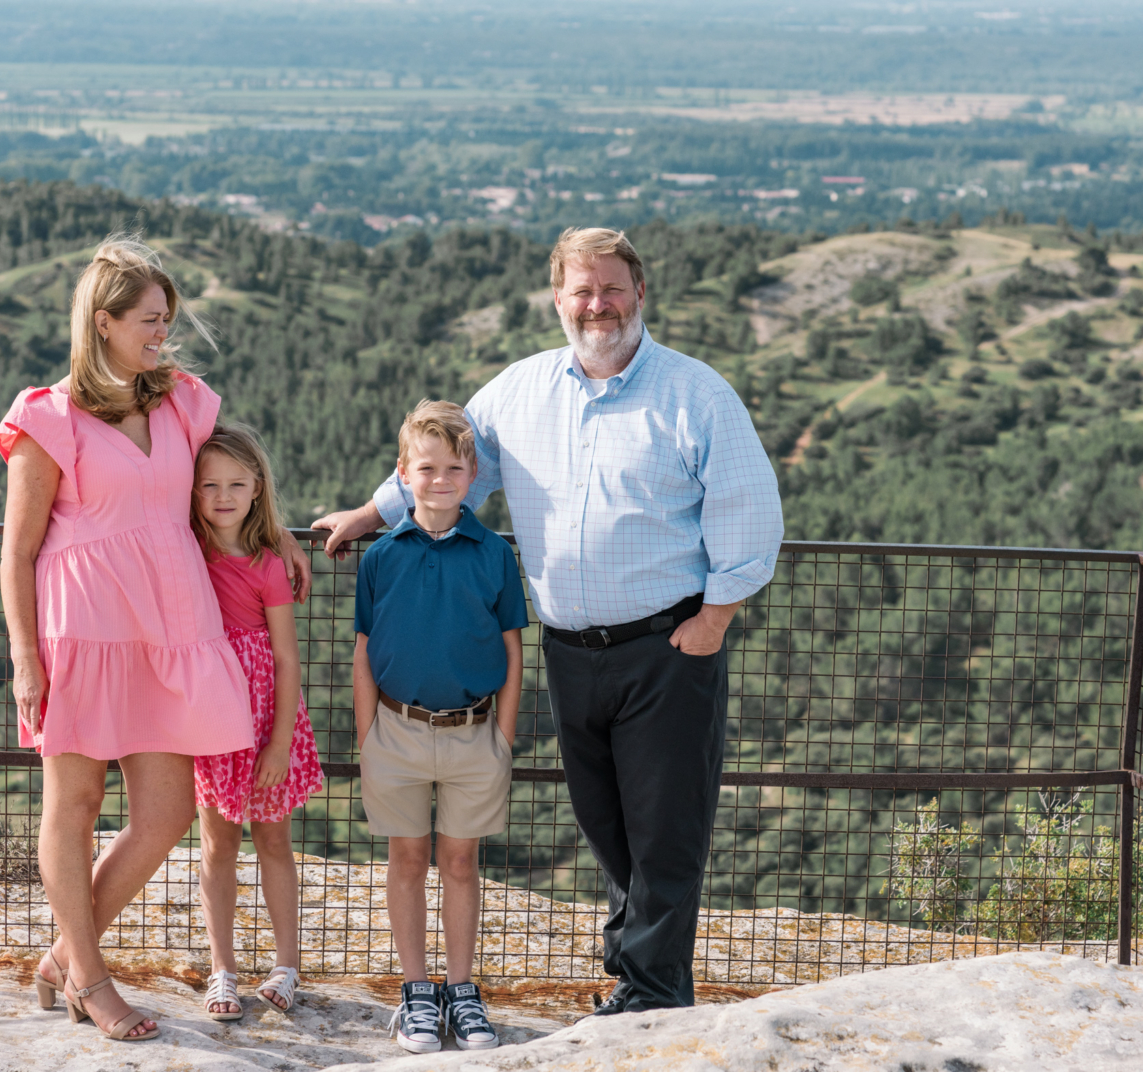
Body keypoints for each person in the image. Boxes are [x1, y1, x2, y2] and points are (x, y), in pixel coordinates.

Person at [315, 228, 783, 1015]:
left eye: (612, 288)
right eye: (582, 290)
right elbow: (447, 465)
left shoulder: (696, 393)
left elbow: (750, 511)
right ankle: (636, 969)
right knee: (605, 820)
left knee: (666, 826)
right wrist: (370, 513)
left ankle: (652, 992)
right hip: (570, 648)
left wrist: (718, 617)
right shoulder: (519, 392)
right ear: (557, 300)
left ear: (640, 294)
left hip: (669, 644)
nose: (597, 304)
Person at [0, 235, 310, 1041]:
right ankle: (91, 981)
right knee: (75, 803)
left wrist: (280, 535)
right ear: (103, 323)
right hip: (84, 631)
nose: (161, 333)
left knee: (169, 811)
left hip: (173, 626)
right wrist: (25, 656)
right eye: (148, 320)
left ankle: (64, 952)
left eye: (165, 319)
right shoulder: (47, 418)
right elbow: (18, 551)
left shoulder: (178, 403)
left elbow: (232, 477)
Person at [352, 400, 527, 1054]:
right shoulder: (383, 557)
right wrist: (368, 736)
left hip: (474, 734)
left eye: (454, 468)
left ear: (472, 472)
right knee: (406, 859)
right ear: (404, 473)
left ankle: (462, 991)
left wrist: (502, 739)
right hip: (394, 733)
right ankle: (417, 991)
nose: (440, 480)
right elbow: (365, 653)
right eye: (426, 468)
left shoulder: (494, 556)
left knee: (459, 861)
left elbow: (512, 650)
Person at [189, 423, 324, 1021]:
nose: (222, 495)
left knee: (274, 840)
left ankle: (287, 966)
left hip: (266, 715)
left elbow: (287, 658)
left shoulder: (269, 564)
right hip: (210, 714)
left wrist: (277, 745)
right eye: (209, 484)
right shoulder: (186, 548)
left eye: (236, 484)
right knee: (217, 845)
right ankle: (222, 971)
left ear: (256, 488)